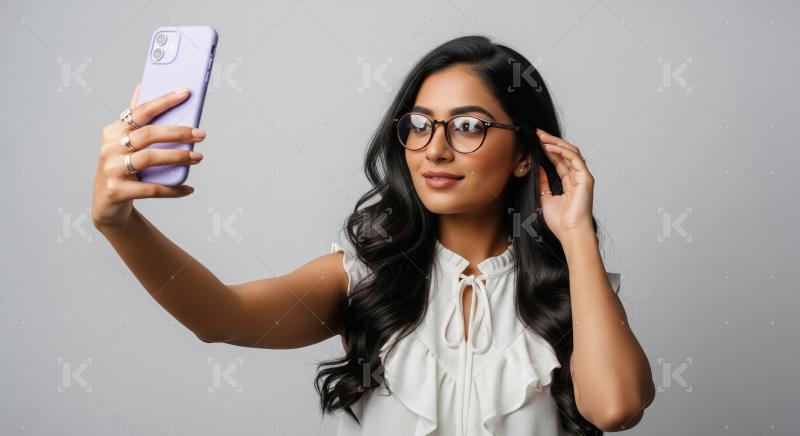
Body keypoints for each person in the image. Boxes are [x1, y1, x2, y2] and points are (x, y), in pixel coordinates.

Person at [92, 35, 654, 435]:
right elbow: (222, 317)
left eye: (466, 127)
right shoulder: (365, 276)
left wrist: (576, 234)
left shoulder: (574, 287)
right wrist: (121, 224)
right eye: (419, 123)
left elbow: (615, 409)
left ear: (526, 157)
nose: (435, 148)